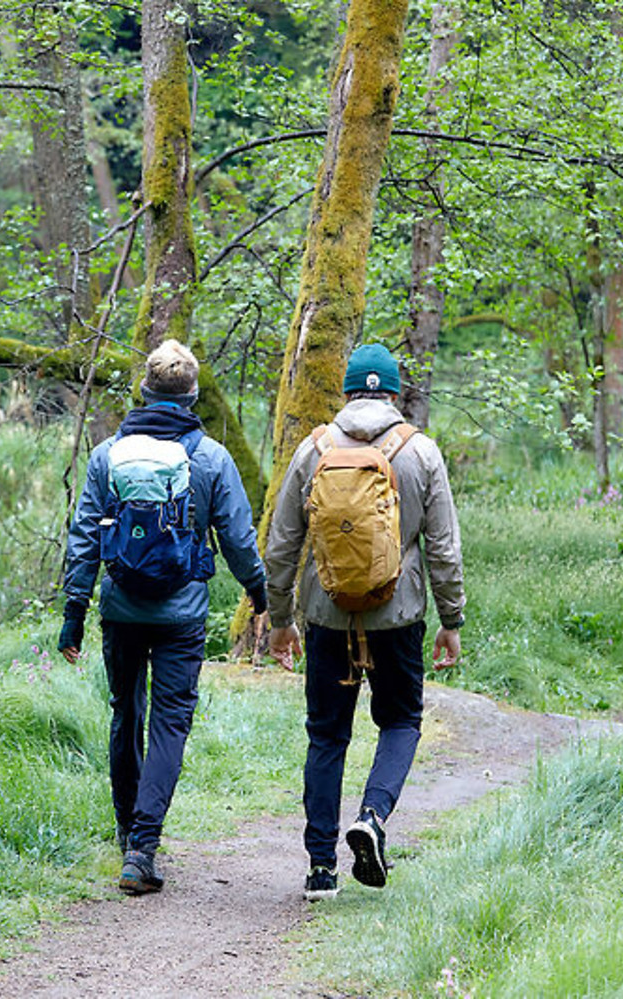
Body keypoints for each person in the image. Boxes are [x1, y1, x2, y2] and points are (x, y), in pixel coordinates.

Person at [59, 339, 267, 895]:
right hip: (182, 616)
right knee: (170, 722)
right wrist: (261, 595)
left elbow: (84, 540)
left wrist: (74, 614)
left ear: (144, 392)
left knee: (125, 713)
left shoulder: (107, 456)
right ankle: (143, 848)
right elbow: (240, 540)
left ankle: (128, 834)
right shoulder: (211, 458)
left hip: (121, 610)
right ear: (193, 395)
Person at [264, 343, 465, 900]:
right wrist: (452, 618)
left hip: (327, 615)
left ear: (348, 391)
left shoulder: (313, 449)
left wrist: (281, 618)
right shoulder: (420, 451)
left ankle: (320, 870)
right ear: (395, 392)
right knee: (401, 721)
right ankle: (372, 818)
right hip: (398, 617)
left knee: (326, 736)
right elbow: (444, 548)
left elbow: (282, 545)